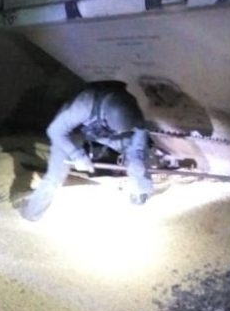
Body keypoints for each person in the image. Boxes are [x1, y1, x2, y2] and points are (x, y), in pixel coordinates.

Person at [21, 81, 154, 221]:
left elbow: (140, 131)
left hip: (104, 132)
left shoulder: (130, 108)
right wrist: (77, 156)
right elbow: (54, 131)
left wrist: (137, 157)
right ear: (105, 116)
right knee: (56, 174)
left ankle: (140, 192)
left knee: (137, 159)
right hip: (72, 133)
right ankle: (32, 212)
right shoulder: (83, 105)